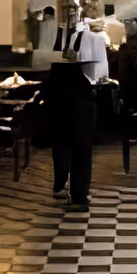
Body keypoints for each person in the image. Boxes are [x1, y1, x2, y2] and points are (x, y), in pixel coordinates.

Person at [40, 60, 95, 211]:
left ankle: (60, 185)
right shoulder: (81, 80)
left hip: (59, 118)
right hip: (80, 117)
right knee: (81, 155)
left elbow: (45, 94)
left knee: (60, 150)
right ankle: (79, 196)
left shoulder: (53, 79)